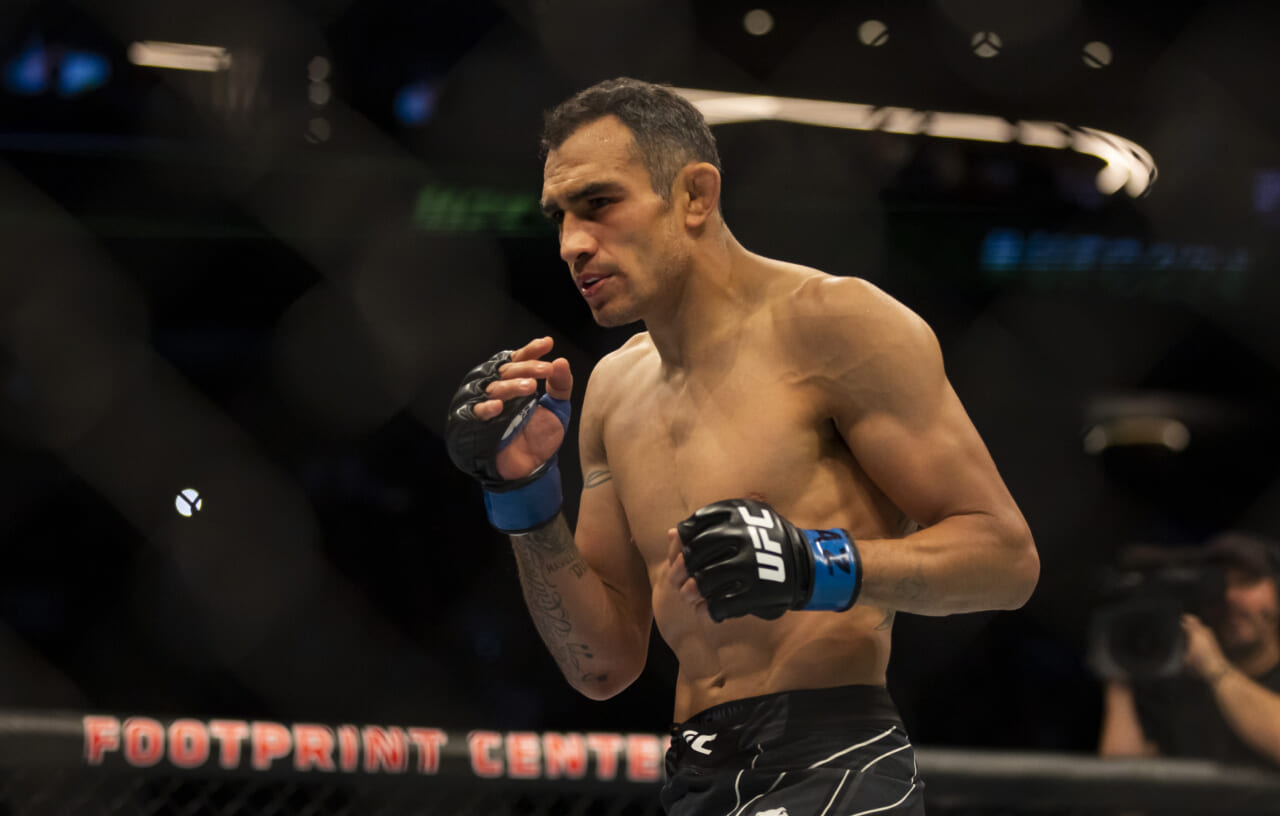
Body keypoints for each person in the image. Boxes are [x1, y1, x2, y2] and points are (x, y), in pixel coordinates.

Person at [446, 77, 1039, 815]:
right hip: (695, 774)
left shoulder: (834, 324)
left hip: (833, 764)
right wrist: (523, 497)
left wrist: (813, 564)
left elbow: (1007, 562)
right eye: (559, 216)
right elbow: (601, 666)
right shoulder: (615, 389)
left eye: (599, 203)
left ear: (694, 195)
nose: (572, 243)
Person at [1099, 531, 1280, 769]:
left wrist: (1214, 667)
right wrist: (1120, 665)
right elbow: (1120, 781)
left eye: (1246, 582)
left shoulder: (1209, 668)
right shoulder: (1175, 681)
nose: (1230, 597)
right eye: (1217, 586)